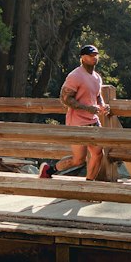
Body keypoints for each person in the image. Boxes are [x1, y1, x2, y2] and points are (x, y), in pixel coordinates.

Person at [39, 43, 108, 181]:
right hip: (77, 122)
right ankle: (49, 170)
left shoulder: (97, 77)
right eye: (91, 55)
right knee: (78, 160)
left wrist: (102, 105)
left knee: (98, 153)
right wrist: (87, 108)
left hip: (93, 121)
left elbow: (97, 95)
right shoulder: (75, 76)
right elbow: (65, 98)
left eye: (96, 55)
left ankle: (89, 184)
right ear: (83, 57)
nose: (94, 58)